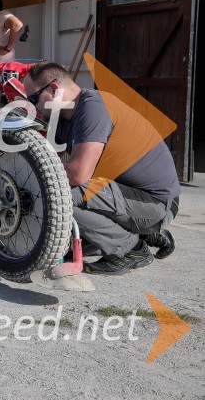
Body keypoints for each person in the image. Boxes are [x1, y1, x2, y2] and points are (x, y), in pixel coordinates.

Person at [22, 62, 180, 275]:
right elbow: (52, 159)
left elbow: (77, 174)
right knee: (53, 190)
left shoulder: (93, 108)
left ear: (53, 89)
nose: (32, 106)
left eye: (33, 99)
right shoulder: (62, 117)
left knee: (58, 194)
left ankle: (131, 249)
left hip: (157, 204)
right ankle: (140, 233)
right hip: (129, 195)